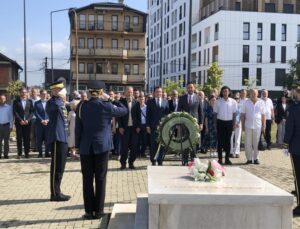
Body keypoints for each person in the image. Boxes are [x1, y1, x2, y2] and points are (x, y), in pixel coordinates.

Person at [75, 80, 127, 219]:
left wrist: (76, 146)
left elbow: (78, 128)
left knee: (87, 179)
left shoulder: (81, 106)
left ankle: (88, 211)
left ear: (89, 92)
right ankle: (98, 211)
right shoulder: (107, 106)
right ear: (101, 92)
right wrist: (111, 98)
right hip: (102, 147)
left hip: (86, 147)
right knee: (100, 179)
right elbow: (123, 110)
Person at [46, 81, 70, 202]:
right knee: (56, 167)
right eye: (59, 90)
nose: (62, 93)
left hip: (63, 137)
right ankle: (55, 194)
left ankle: (57, 191)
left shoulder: (61, 103)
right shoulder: (52, 102)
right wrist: (57, 96)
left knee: (61, 166)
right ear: (54, 91)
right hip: (56, 138)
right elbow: (55, 105)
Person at [283, 82, 300, 215]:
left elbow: (289, 129)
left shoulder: (294, 108)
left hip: (297, 147)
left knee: (298, 176)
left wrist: (285, 144)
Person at [178, 82, 203, 165]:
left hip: (195, 124)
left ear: (194, 88)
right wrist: (180, 122)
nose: (190, 89)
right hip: (185, 124)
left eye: (191, 87)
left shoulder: (198, 98)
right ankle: (185, 159)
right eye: (188, 87)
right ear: (186, 89)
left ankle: (193, 160)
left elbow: (201, 112)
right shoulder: (182, 98)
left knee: (193, 142)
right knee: (185, 141)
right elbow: (179, 111)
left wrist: (201, 123)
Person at [241, 89, 266, 164]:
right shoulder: (246, 102)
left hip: (258, 125)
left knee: (256, 143)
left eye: (255, 93)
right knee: (248, 143)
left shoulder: (261, 102)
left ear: (257, 94)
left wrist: (264, 125)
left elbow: (263, 114)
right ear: (249, 94)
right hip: (248, 125)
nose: (253, 95)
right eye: (252, 93)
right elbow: (243, 114)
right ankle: (249, 159)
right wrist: (242, 125)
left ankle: (256, 158)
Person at [213, 86, 237, 165]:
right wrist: (215, 124)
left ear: (229, 92)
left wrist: (234, 124)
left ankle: (227, 159)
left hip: (229, 123)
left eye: (227, 91)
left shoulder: (233, 102)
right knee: (220, 142)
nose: (225, 93)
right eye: (224, 91)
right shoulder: (218, 101)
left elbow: (234, 114)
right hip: (220, 123)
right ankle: (220, 159)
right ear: (222, 92)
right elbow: (215, 114)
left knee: (228, 142)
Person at [118, 87, 140, 169]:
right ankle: (123, 163)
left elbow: (139, 116)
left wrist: (138, 126)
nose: (130, 93)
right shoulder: (121, 102)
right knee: (124, 147)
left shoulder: (136, 103)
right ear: (125, 93)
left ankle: (131, 163)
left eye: (131, 92)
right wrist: (120, 126)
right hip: (124, 128)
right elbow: (119, 116)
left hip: (134, 129)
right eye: (128, 92)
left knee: (134, 147)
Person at [146, 86, 169, 165]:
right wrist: (147, 126)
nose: (159, 93)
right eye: (157, 91)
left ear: (162, 93)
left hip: (163, 127)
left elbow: (167, 114)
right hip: (152, 127)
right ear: (154, 93)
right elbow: (147, 115)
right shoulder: (150, 102)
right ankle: (153, 160)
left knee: (162, 144)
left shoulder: (165, 101)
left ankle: (160, 160)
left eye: (160, 92)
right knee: (153, 144)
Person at [13, 87, 34, 159]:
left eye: (25, 92)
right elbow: (15, 112)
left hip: (28, 123)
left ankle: (27, 153)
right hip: (19, 123)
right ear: (20, 93)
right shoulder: (16, 101)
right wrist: (20, 120)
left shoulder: (30, 101)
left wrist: (28, 120)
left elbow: (32, 112)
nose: (24, 93)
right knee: (19, 138)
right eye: (22, 92)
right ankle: (19, 154)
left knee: (27, 138)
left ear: (27, 93)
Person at [34, 89, 50, 158]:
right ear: (40, 95)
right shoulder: (36, 103)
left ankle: (47, 153)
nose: (44, 95)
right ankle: (40, 153)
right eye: (43, 94)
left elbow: (51, 113)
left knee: (47, 139)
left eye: (45, 94)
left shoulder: (50, 103)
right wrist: (42, 120)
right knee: (39, 140)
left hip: (48, 124)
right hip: (39, 124)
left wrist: (47, 120)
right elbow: (36, 113)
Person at [0, 94, 13, 159]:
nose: (2, 100)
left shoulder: (9, 107)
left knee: (6, 141)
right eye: (1, 99)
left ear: (5, 99)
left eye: (3, 99)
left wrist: (11, 126)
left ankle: (6, 154)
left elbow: (11, 117)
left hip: (6, 126)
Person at [230, 92, 242, 158]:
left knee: (237, 139)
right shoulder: (231, 106)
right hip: (231, 123)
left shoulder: (241, 106)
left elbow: (241, 115)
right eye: (235, 98)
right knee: (231, 138)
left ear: (239, 99)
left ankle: (237, 152)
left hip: (238, 123)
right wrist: (233, 123)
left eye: (237, 98)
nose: (236, 99)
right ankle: (231, 152)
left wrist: (238, 123)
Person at [30, 87, 40, 151]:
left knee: (38, 133)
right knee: (32, 133)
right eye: (32, 92)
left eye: (35, 92)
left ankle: (38, 147)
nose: (34, 93)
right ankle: (33, 147)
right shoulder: (29, 100)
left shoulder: (39, 100)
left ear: (37, 93)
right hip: (31, 119)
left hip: (39, 119)